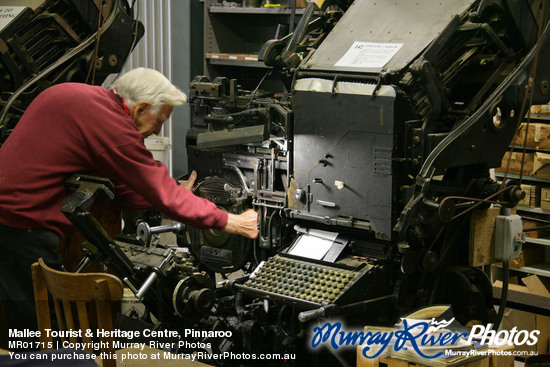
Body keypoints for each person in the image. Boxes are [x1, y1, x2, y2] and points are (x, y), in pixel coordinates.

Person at [0, 67, 259, 342]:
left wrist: (175, 198)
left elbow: (122, 187)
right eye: (159, 120)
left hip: (12, 218)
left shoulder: (82, 98)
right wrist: (231, 221)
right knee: (41, 333)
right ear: (141, 108)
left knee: (20, 325)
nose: (158, 130)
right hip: (22, 224)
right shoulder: (108, 121)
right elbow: (153, 185)